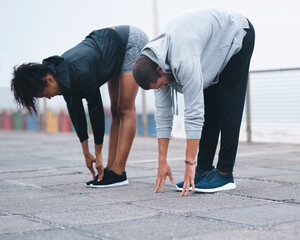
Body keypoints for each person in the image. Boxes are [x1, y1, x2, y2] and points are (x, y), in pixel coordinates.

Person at [132, 8, 255, 196]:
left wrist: (189, 163)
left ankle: (224, 174)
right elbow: (163, 115)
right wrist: (162, 161)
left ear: (159, 69)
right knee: (211, 106)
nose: (163, 88)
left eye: (160, 84)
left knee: (229, 105)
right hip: (210, 49)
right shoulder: (151, 63)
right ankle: (204, 170)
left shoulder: (183, 59)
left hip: (236, 34)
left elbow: (194, 112)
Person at [11, 26, 149, 188]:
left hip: (130, 42)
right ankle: (111, 169)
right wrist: (86, 153)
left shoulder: (79, 70)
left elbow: (95, 108)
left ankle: (119, 172)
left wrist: (97, 153)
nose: (48, 97)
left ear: (48, 80)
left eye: (45, 94)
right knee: (114, 110)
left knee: (124, 108)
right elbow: (76, 111)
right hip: (110, 47)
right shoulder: (61, 74)